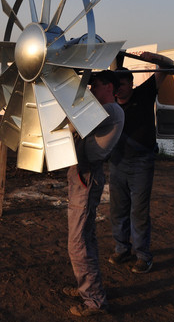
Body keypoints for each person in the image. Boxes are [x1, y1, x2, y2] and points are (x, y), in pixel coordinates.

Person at [65, 70, 124, 317]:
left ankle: (94, 301)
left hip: (87, 176)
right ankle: (88, 287)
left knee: (78, 243)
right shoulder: (107, 110)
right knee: (85, 238)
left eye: (96, 85)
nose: (91, 90)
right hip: (84, 174)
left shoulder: (110, 110)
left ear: (109, 87)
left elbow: (73, 118)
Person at [108, 51, 173, 274]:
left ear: (131, 84)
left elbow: (169, 65)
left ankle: (143, 256)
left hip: (141, 164)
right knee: (118, 210)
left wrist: (152, 58)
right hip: (116, 162)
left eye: (123, 84)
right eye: (116, 85)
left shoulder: (144, 94)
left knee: (139, 212)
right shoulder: (109, 104)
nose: (119, 89)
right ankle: (122, 248)